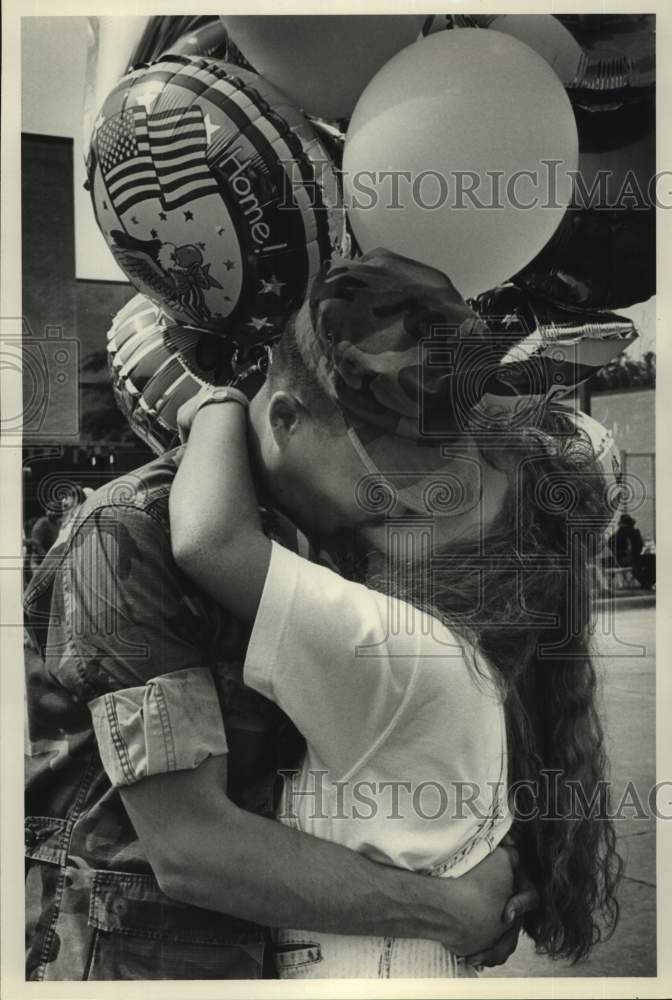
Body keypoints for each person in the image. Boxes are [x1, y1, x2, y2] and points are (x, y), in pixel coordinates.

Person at [24, 258, 536, 981]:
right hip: (133, 962)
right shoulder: (131, 534)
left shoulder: (325, 534)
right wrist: (451, 909)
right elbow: (192, 852)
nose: (414, 494)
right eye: (389, 465)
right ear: (289, 418)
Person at [156, 250, 622, 978]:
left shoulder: (407, 656)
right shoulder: (467, 662)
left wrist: (214, 402)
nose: (404, 496)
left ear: (495, 548)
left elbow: (211, 540)